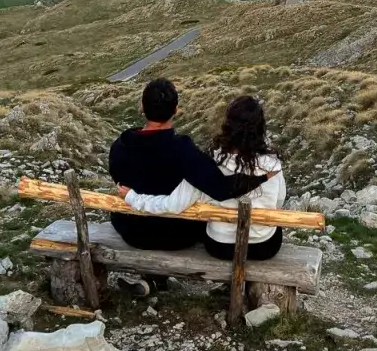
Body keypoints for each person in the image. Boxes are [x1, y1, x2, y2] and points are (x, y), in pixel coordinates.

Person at [107, 79, 268, 255]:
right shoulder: (182, 149)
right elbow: (221, 189)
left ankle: (153, 280)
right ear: (175, 110)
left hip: (131, 229)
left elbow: (118, 179)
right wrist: (262, 177)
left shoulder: (120, 145)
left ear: (143, 108)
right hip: (176, 233)